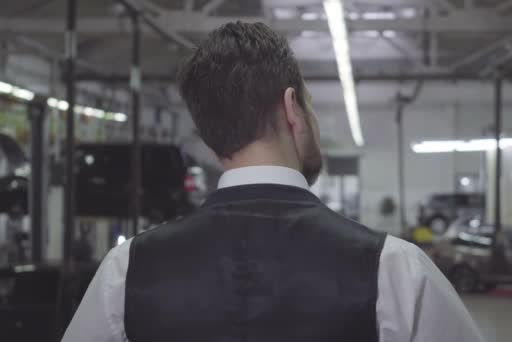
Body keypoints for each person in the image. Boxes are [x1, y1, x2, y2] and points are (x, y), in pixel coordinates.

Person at [63, 22, 484, 342]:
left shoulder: (127, 270)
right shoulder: (394, 269)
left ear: (210, 136)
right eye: (310, 103)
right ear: (292, 110)